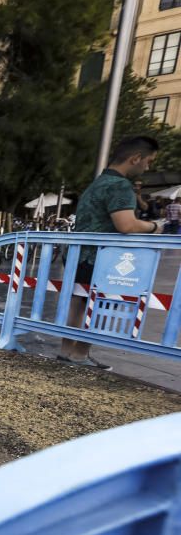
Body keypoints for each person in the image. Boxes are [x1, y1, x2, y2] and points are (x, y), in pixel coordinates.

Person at [58, 136, 167, 369]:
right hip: (102, 258)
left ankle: (67, 351)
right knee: (97, 304)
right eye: (148, 161)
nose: (147, 167)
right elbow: (126, 224)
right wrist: (155, 227)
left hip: (79, 255)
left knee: (78, 302)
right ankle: (80, 354)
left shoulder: (98, 182)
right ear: (135, 158)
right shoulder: (120, 186)